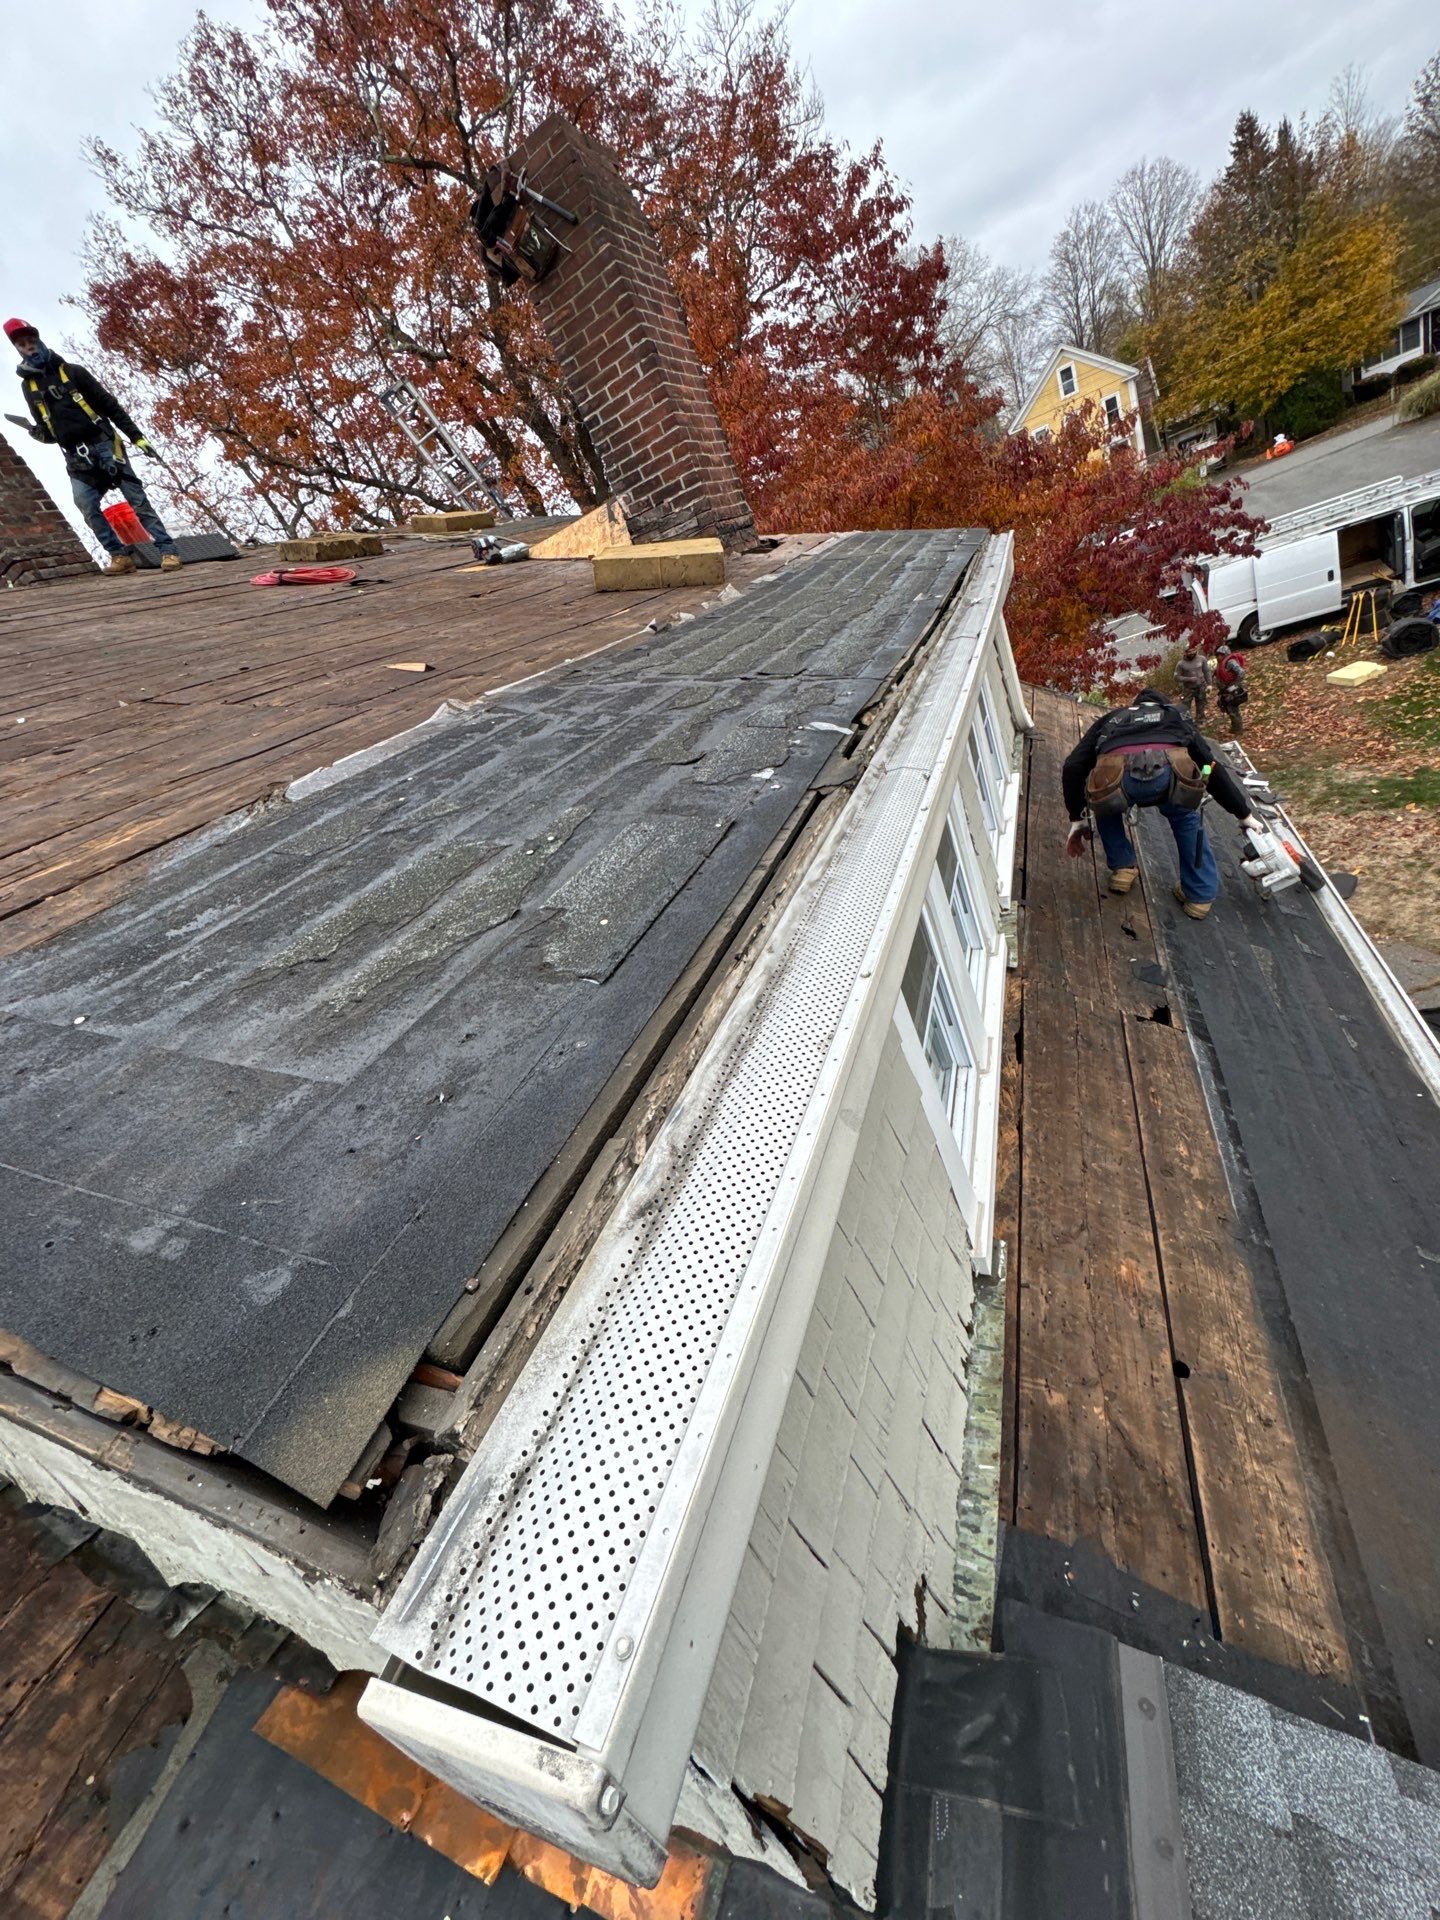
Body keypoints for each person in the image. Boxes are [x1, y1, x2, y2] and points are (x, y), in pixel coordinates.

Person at [1062, 687, 1265, 920]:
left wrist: (1077, 817)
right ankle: (1198, 896)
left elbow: (1073, 766)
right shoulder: (1176, 714)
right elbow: (1211, 765)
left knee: (1104, 803)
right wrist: (1242, 813)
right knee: (1185, 817)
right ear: (1163, 704)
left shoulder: (1113, 718)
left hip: (1118, 779)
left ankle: (1123, 868)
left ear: (1134, 705)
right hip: (1170, 777)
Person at [5, 317, 182, 575]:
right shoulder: (28, 386)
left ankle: (168, 551)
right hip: (76, 458)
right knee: (85, 504)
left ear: (39, 340)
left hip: (105, 446)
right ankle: (120, 557)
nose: (29, 347)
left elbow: (110, 406)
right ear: (17, 349)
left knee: (137, 500)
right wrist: (37, 433)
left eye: (31, 341)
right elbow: (51, 432)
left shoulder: (73, 372)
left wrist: (137, 437)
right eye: (22, 344)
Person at [1215, 644, 1249, 737]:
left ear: (1225, 654)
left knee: (1233, 709)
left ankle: (1238, 730)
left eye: (1220, 655)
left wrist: (1235, 686)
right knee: (1227, 708)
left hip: (1232, 690)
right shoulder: (1221, 663)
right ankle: (1235, 728)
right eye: (1217, 655)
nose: (1218, 657)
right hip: (1225, 690)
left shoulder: (1230, 662)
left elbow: (1241, 672)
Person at [1175, 641, 1212, 723]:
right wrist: (1188, 679)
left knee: (1201, 703)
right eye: (1189, 651)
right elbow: (1176, 677)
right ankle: (1186, 722)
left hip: (1201, 686)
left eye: (1193, 650)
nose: (1191, 653)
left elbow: (1206, 671)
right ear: (1185, 653)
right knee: (1185, 706)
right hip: (1188, 688)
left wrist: (1209, 684)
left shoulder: (1202, 659)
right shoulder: (1181, 664)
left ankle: (1201, 719)